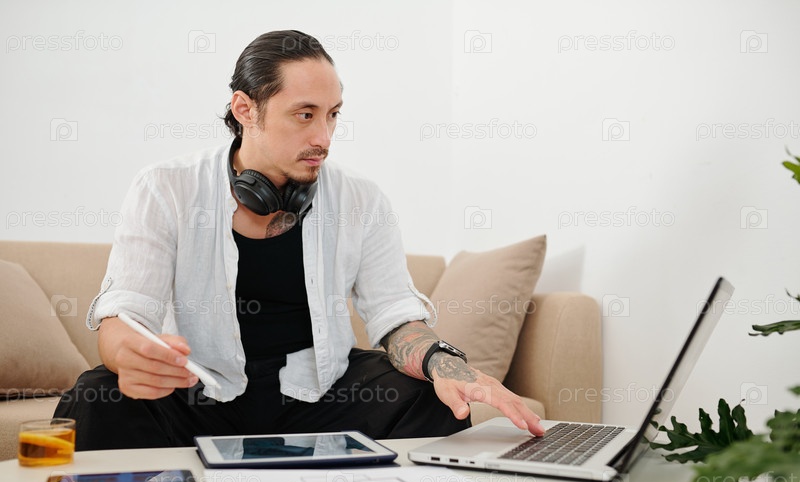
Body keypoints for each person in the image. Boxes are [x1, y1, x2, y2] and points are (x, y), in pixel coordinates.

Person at [54, 30, 545, 451]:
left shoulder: (361, 199)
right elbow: (124, 313)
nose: (324, 138)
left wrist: (442, 362)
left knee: (425, 395)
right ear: (245, 109)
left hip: (317, 395)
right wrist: (131, 356)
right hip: (201, 393)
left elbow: (395, 315)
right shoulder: (166, 188)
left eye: (332, 115)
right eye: (305, 115)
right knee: (97, 395)